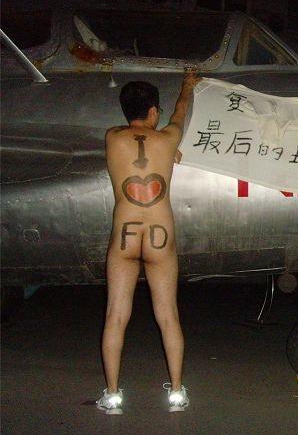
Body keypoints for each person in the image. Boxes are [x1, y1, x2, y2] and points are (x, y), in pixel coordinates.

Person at [96, 74, 201, 414]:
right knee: (168, 315)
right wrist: (187, 86)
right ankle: (177, 392)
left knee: (115, 315)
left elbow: (136, 144)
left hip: (124, 236)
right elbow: (181, 112)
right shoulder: (167, 139)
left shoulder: (112, 137)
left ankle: (112, 394)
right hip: (160, 236)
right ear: (154, 111)